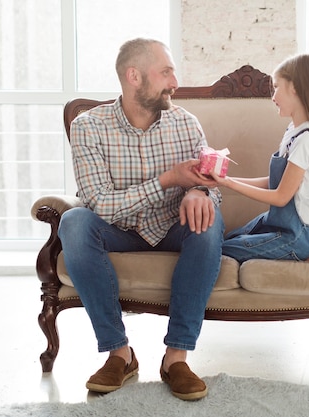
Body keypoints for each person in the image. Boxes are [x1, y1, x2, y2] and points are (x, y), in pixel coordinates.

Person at [58, 38, 224, 401]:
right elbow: (99, 203)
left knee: (209, 220)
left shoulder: (186, 123)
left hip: (173, 225)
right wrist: (168, 180)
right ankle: (120, 353)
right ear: (134, 76)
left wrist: (199, 192)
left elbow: (213, 185)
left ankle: (176, 357)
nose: (175, 82)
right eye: (166, 72)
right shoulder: (89, 127)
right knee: (73, 221)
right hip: (118, 230)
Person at [207, 54, 309, 263]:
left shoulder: (307, 140)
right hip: (283, 224)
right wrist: (223, 180)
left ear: (295, 87)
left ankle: (308, 251)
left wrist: (229, 183)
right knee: (232, 237)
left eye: (276, 86)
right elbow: (276, 182)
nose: (273, 96)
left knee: (223, 249)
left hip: (296, 236)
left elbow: (281, 197)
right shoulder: (293, 131)